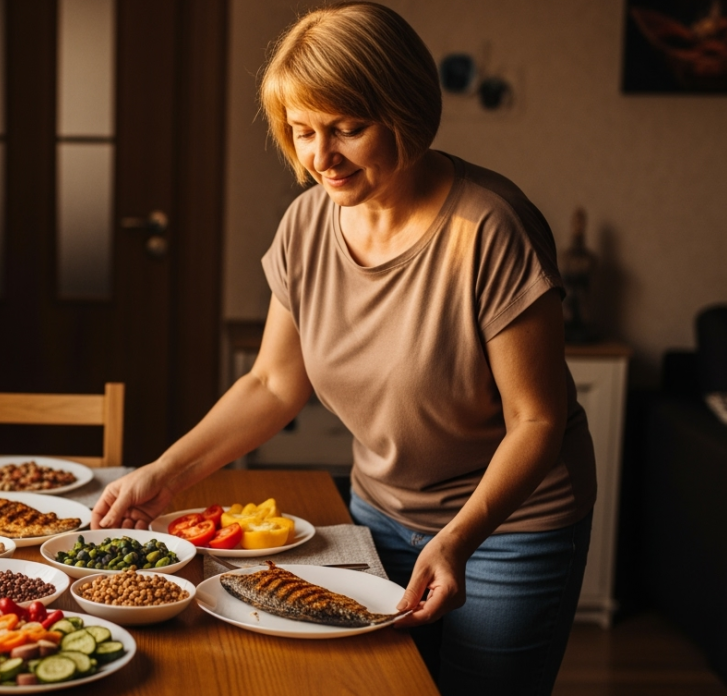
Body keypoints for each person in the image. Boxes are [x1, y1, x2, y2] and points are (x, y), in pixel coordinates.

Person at [91, 3, 595, 694]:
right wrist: (166, 474)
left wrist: (458, 539)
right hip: (378, 513)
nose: (320, 158)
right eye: (301, 132)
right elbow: (273, 384)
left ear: (405, 113)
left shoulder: (492, 228)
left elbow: (536, 422)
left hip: (509, 529)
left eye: (347, 130)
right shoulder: (306, 224)